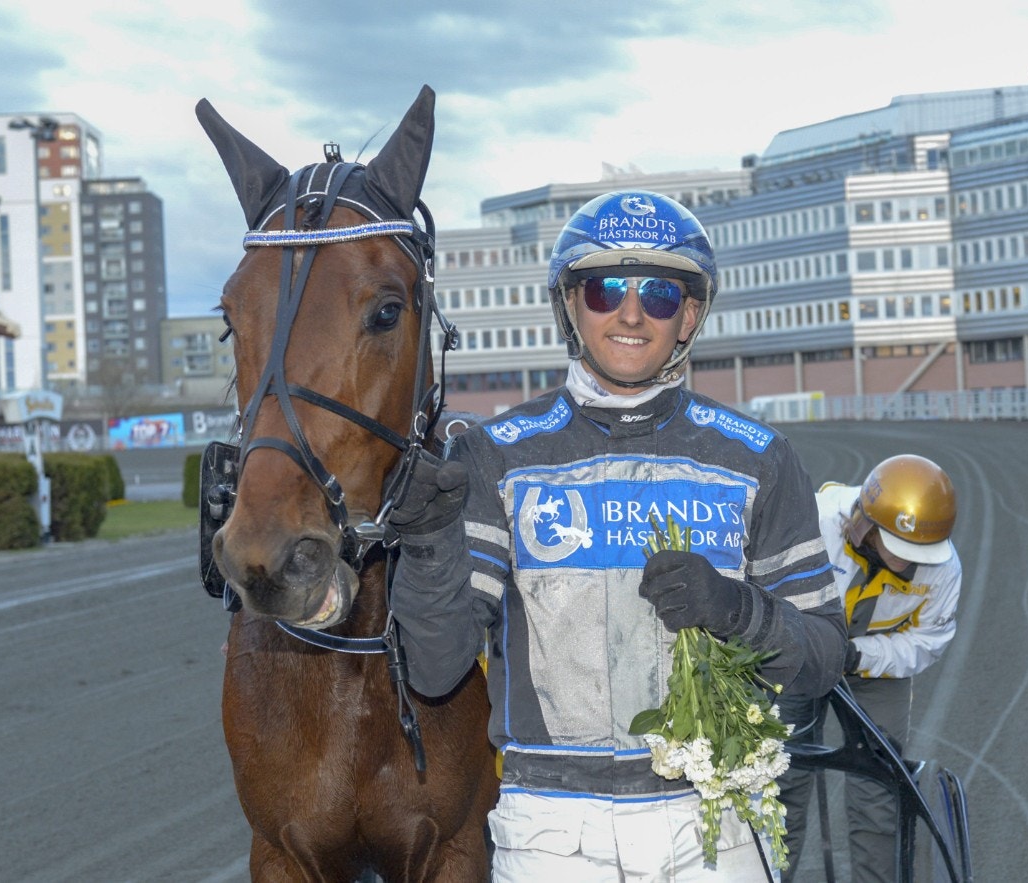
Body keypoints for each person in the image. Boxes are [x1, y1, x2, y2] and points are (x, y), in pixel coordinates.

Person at [386, 190, 847, 881]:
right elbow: (435, 666)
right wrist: (425, 545)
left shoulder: (758, 457)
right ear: (571, 304)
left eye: (659, 293)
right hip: (551, 832)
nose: (631, 313)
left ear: (689, 314)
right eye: (605, 289)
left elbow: (825, 656)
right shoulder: (494, 456)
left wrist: (737, 611)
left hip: (716, 823)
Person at [780, 454, 961, 883]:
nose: (909, 562)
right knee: (778, 778)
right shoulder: (813, 521)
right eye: (900, 549)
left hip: (877, 670)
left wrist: (859, 656)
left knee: (880, 789)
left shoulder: (944, 569)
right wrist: (805, 645)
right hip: (799, 657)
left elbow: (928, 641)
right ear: (865, 523)